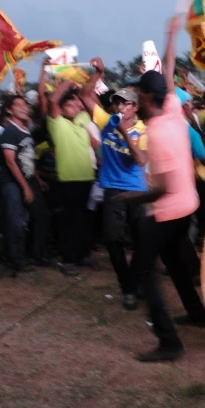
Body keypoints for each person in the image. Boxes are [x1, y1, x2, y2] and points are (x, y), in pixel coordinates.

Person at [120, 16, 205, 362]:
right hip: (187, 205)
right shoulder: (172, 109)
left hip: (169, 210)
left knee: (144, 273)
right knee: (173, 260)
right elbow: (169, 70)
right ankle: (197, 314)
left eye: (136, 93)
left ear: (146, 96)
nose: (133, 98)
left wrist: (134, 197)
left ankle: (169, 342)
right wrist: (170, 36)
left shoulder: (157, 133)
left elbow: (163, 189)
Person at [81, 63, 148, 311]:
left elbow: (141, 160)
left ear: (135, 108)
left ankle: (138, 279)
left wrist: (125, 134)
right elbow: (84, 96)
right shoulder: (107, 121)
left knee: (142, 240)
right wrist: (98, 74)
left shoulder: (143, 130)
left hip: (137, 191)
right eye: (117, 102)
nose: (119, 106)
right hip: (112, 190)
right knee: (112, 239)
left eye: (125, 103)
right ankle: (128, 287)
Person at [47, 80, 97, 276]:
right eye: (70, 104)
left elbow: (90, 99)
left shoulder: (83, 119)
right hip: (68, 180)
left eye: (77, 105)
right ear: (62, 108)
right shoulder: (56, 123)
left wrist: (90, 80)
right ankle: (68, 259)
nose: (76, 107)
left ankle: (83, 254)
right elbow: (53, 102)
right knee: (70, 222)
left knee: (84, 220)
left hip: (87, 178)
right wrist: (66, 84)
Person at [0, 94, 49, 272]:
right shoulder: (9, 131)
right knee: (16, 222)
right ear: (9, 110)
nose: (23, 107)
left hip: (28, 179)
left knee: (40, 216)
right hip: (13, 183)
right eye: (18, 105)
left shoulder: (25, 130)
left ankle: (35, 255)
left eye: (25, 105)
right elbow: (10, 161)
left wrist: (37, 179)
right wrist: (25, 187)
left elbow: (27, 159)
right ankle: (18, 260)